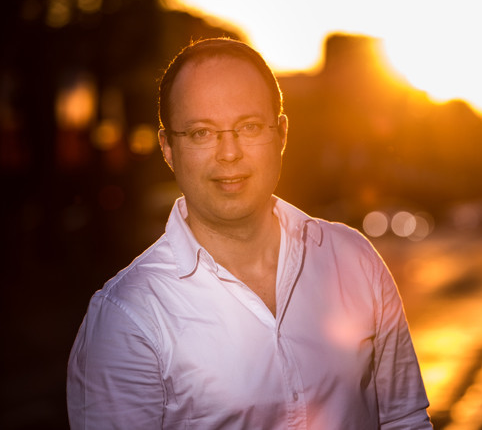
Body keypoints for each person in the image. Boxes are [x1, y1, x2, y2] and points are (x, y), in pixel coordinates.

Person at [67, 38, 432, 429]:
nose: (229, 152)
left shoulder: (355, 260)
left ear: (282, 135)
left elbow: (402, 420)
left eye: (249, 126)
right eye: (201, 133)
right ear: (168, 149)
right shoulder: (128, 316)